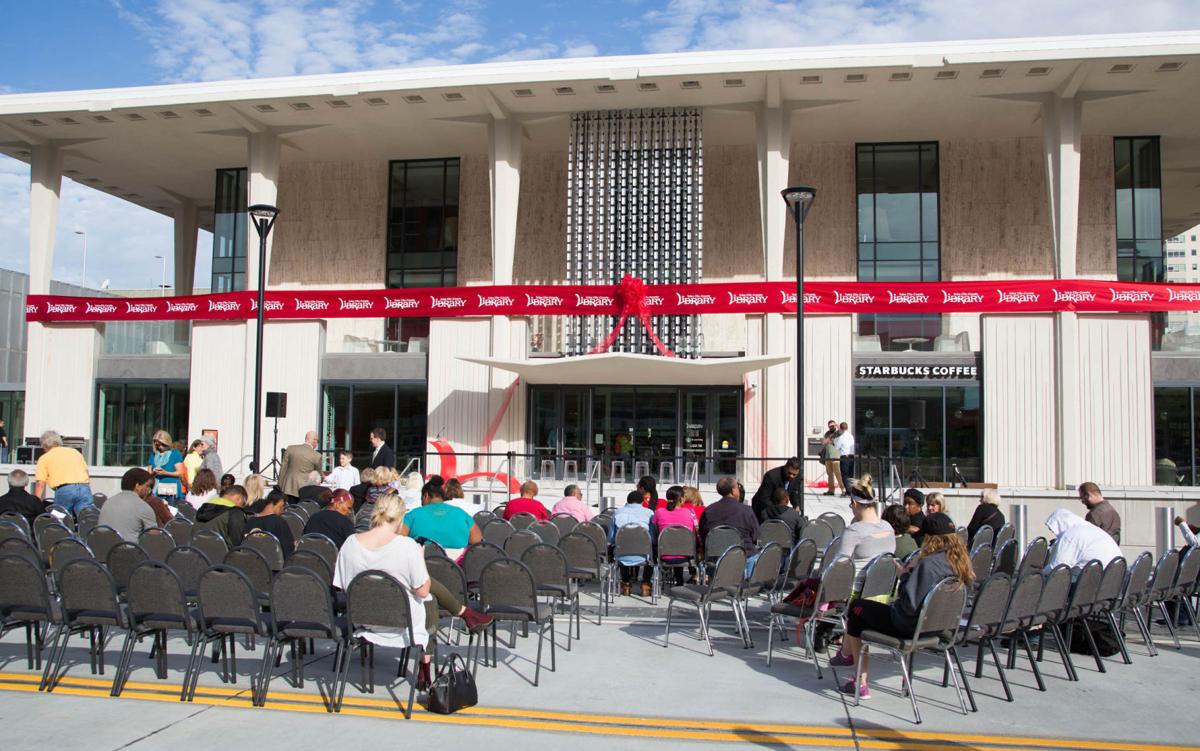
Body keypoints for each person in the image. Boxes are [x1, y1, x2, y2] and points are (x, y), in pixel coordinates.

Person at [332, 492, 492, 690]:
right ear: (400, 517)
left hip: (361, 620)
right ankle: (425, 668)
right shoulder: (406, 546)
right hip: (402, 623)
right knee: (430, 600)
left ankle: (463, 613)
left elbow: (341, 584)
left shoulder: (350, 543)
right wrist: (419, 559)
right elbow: (423, 590)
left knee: (411, 591)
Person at [838, 512, 974, 699]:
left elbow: (909, 604)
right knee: (862, 612)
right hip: (939, 627)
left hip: (909, 626)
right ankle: (850, 661)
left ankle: (859, 680)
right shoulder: (961, 563)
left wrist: (904, 576)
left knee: (856, 608)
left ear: (930, 538)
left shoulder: (929, 564)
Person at [827, 475, 895, 595]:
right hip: (881, 592)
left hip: (853, 594)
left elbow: (838, 566)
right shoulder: (888, 527)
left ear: (854, 503)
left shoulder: (854, 531)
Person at [404, 482, 481, 559]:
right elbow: (476, 539)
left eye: (421, 499)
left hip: (422, 565)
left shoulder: (412, 515)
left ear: (426, 496)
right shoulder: (461, 513)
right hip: (455, 567)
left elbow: (398, 539)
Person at [1043, 508, 1123, 572]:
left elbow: (1058, 568)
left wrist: (1040, 574)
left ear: (1060, 525)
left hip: (1092, 581)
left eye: (1053, 530)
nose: (1054, 533)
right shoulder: (1091, 529)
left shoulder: (1071, 535)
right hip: (1114, 577)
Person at [608, 489, 655, 596]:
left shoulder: (617, 513)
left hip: (622, 555)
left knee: (623, 545)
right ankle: (646, 584)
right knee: (652, 549)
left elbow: (611, 538)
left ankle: (626, 583)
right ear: (642, 501)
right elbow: (652, 537)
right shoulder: (649, 513)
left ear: (627, 501)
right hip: (644, 555)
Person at [33, 430, 93, 513]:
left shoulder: (44, 458)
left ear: (44, 446)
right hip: (84, 488)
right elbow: (86, 471)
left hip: (65, 490)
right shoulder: (75, 452)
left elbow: (40, 484)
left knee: (59, 518)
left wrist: (35, 503)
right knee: (86, 518)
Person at [699, 476, 760, 555]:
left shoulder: (708, 511)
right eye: (737, 487)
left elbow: (703, 534)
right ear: (733, 491)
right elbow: (756, 536)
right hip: (743, 557)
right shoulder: (746, 510)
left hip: (716, 556)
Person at [652, 486, 697, 585]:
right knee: (680, 543)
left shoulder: (659, 512)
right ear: (681, 499)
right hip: (685, 555)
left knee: (672, 543)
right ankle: (680, 580)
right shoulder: (690, 513)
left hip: (664, 555)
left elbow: (654, 530)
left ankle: (674, 578)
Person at [99, 468, 159, 541]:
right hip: (129, 550)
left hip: (103, 549)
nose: (149, 490)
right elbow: (154, 537)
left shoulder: (107, 502)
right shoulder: (143, 507)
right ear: (137, 486)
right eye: (147, 485)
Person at [245, 488, 295, 558]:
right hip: (274, 564)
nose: (282, 511)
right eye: (282, 507)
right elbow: (288, 549)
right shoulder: (279, 522)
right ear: (279, 502)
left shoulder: (251, 521)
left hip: (251, 561)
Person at [278, 431, 323, 502]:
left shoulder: (290, 449)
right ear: (314, 441)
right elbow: (319, 474)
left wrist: (279, 487)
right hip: (305, 491)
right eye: (317, 441)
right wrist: (322, 479)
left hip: (288, 488)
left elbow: (283, 469)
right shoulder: (316, 455)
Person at [147, 430, 186, 502]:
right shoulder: (153, 454)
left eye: (162, 444)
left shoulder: (175, 453)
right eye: (157, 445)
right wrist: (154, 472)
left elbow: (180, 473)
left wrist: (165, 473)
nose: (160, 447)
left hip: (171, 491)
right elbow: (148, 474)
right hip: (156, 491)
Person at [822, 423, 844, 496]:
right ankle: (831, 490)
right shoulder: (827, 433)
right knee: (830, 474)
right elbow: (823, 442)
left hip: (835, 456)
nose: (831, 427)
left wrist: (836, 424)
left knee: (838, 474)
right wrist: (827, 440)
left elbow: (841, 431)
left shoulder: (837, 433)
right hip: (828, 456)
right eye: (830, 426)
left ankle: (843, 490)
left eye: (832, 426)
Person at [836, 422, 856, 488]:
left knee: (845, 474)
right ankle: (851, 489)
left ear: (841, 428)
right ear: (847, 428)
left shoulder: (841, 437)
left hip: (844, 456)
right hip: (852, 456)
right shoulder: (851, 436)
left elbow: (837, 447)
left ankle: (848, 491)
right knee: (851, 474)